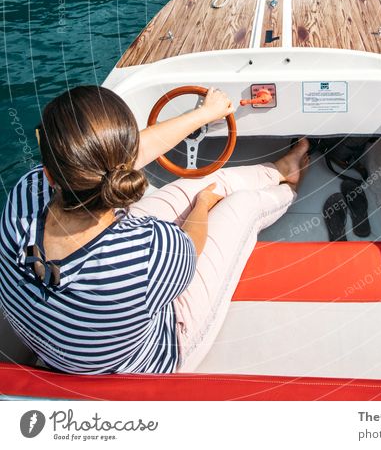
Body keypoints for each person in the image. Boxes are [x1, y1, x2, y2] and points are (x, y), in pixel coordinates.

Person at [0, 85, 309, 374]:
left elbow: (114, 162)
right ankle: (289, 187)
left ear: (51, 176)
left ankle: (277, 170)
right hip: (161, 352)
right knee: (238, 207)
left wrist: (204, 113)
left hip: (64, 348)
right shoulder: (150, 252)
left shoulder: (25, 195)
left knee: (198, 185)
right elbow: (191, 243)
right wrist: (202, 205)